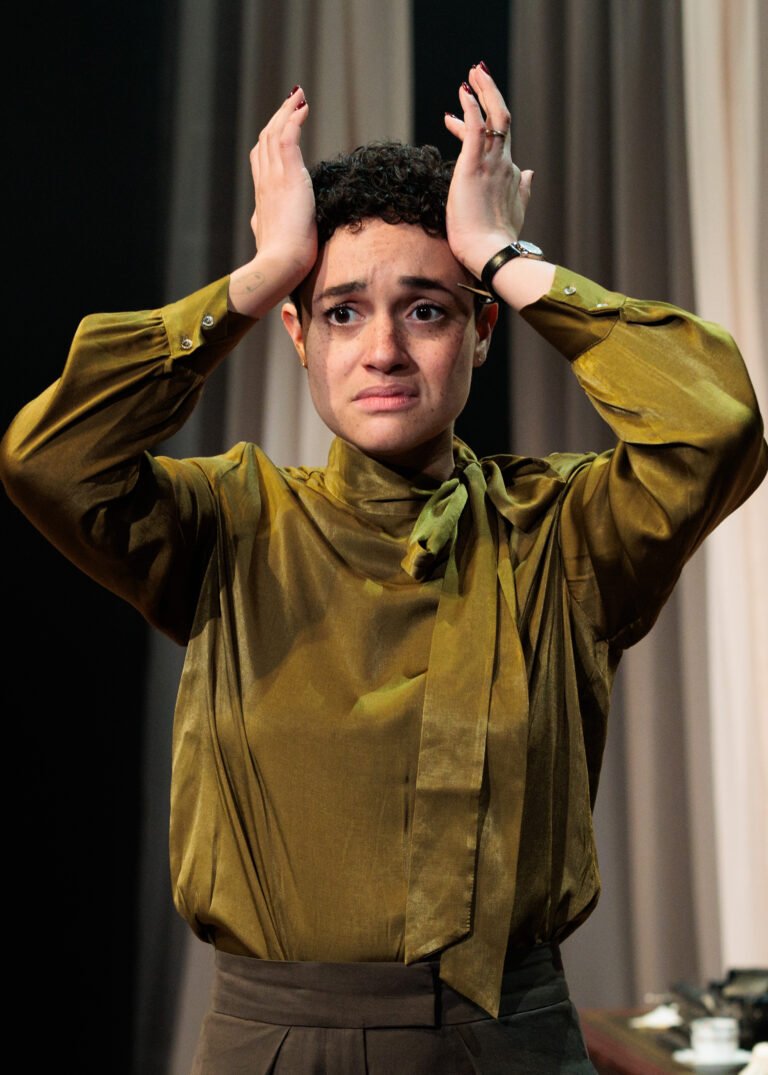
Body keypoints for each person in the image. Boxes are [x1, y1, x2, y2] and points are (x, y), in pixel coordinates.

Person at [1, 63, 765, 1074]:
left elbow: (716, 425)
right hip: (274, 1047)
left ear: (481, 328)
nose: (384, 352)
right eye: (342, 311)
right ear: (297, 334)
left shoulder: (563, 534)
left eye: (428, 310)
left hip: (509, 1047)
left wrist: (500, 254)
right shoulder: (230, 523)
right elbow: (49, 457)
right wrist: (261, 275)